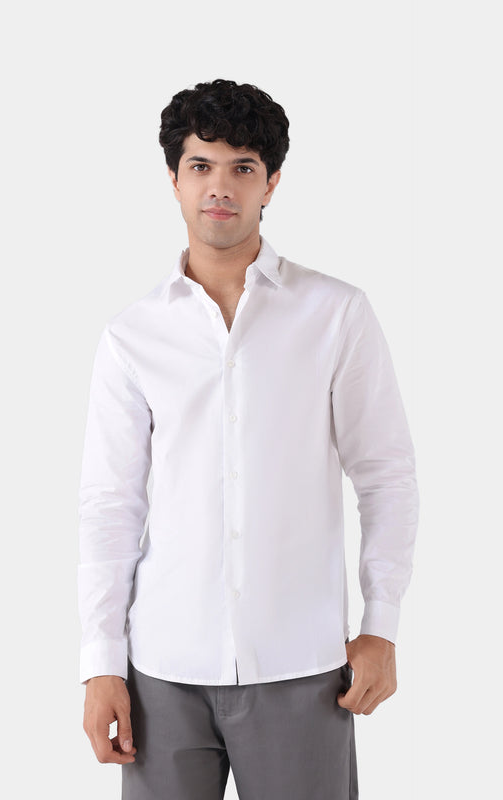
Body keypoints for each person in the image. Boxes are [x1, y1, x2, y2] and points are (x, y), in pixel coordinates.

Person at [78, 78, 419, 800]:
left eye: (243, 167)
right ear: (173, 179)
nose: (220, 187)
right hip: (162, 672)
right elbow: (110, 505)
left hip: (302, 667)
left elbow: (385, 475)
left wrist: (381, 626)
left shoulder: (335, 313)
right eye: (200, 166)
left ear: (272, 182)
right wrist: (101, 661)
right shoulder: (132, 336)